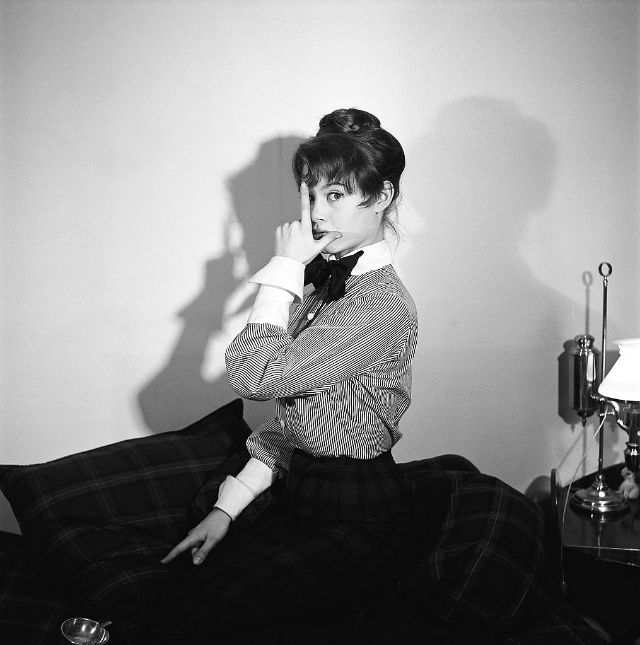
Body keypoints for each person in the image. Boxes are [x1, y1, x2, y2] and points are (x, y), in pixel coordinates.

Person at [160, 107, 419, 638]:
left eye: (336, 194)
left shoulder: (381, 306)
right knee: (184, 578)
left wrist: (282, 270)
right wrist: (228, 507)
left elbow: (255, 378)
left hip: (357, 512)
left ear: (383, 195)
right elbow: (294, 427)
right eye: (310, 195)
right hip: (298, 493)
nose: (317, 215)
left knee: (203, 614)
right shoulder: (323, 287)